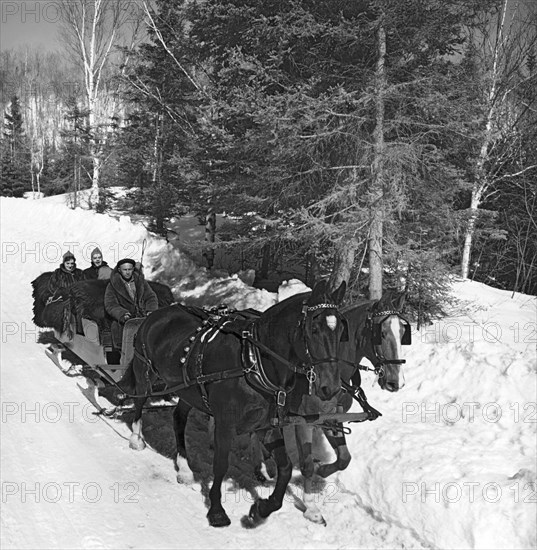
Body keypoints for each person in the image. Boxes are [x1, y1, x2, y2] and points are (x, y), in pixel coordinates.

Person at [104, 258, 158, 349]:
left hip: (142, 316)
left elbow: (151, 297)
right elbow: (110, 304)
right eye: (125, 270)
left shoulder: (140, 282)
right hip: (124, 320)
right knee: (119, 332)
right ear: (119, 270)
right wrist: (122, 314)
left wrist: (151, 310)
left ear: (133, 269)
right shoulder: (112, 285)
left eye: (130, 269)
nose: (127, 272)